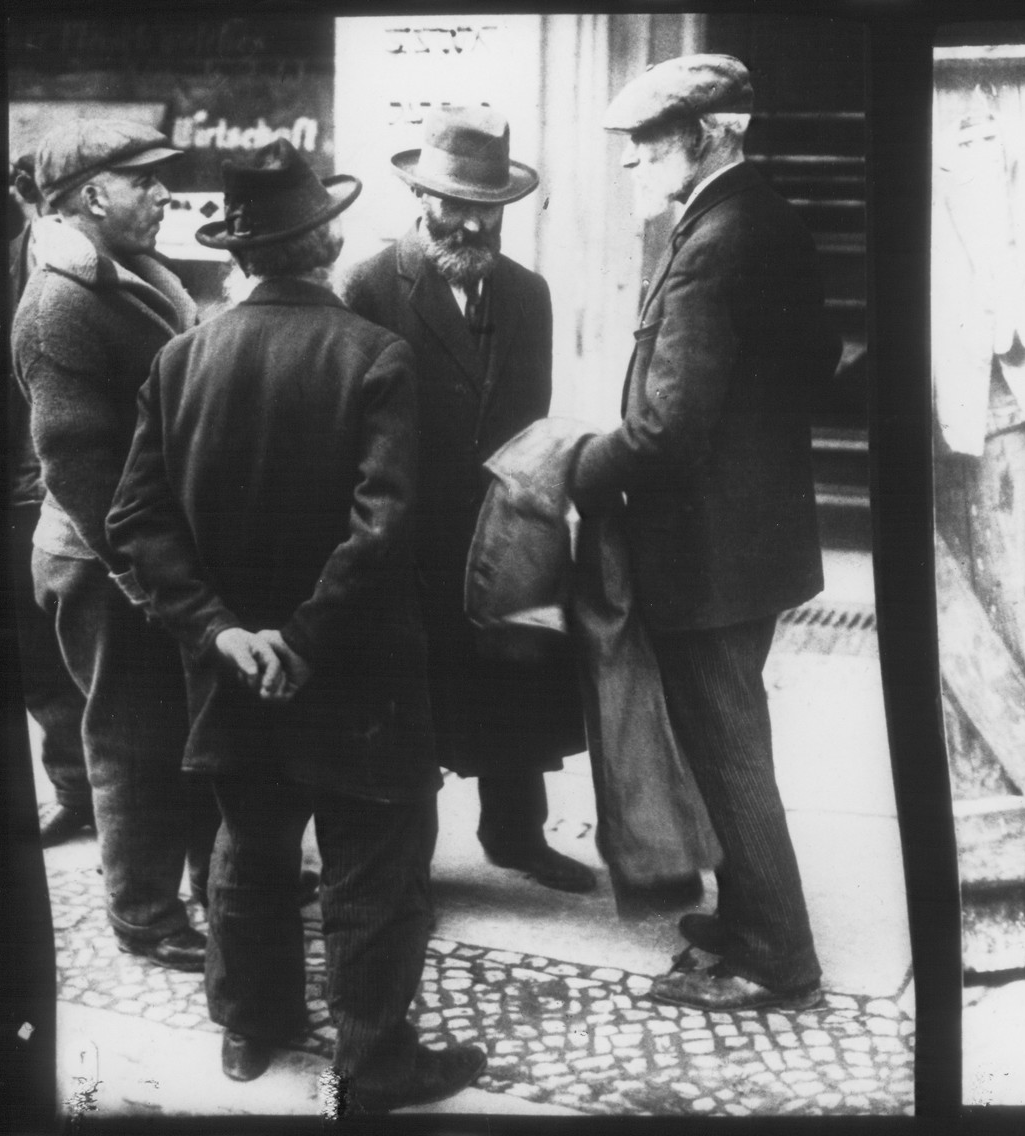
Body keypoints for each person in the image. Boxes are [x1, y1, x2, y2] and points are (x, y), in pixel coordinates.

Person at [107, 140, 485, 1111]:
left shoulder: (180, 359)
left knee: (248, 849)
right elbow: (383, 525)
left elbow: (134, 523)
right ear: (328, 240)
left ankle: (250, 1024)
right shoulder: (376, 355)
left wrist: (228, 634)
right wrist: (308, 640)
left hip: (230, 672)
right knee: (372, 862)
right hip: (356, 672)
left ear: (240, 253)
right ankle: (373, 1059)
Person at [565, 53, 838, 1012]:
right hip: (747, 545)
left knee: (728, 752)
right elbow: (815, 364)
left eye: (650, 146)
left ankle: (777, 956)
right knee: (730, 743)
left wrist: (571, 472)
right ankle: (747, 913)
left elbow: (667, 429)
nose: (634, 165)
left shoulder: (715, 240)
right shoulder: (762, 218)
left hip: (708, 555)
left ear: (712, 134)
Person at [339, 106, 594, 894]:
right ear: (422, 200)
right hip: (409, 531)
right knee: (414, 695)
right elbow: (351, 417)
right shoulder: (371, 284)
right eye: (456, 205)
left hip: (502, 530)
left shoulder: (528, 293)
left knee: (513, 682)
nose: (473, 224)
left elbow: (531, 415)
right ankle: (403, 858)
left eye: (488, 208)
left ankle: (516, 837)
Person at [12, 119, 217, 971]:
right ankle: (143, 913)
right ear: (95, 195)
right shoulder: (60, 304)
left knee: (189, 727)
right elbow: (80, 472)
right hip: (106, 565)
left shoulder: (138, 277)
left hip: (155, 552)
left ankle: (215, 878)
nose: (165, 192)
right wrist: (150, 581)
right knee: (132, 744)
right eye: (147, 179)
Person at [7, 153, 92, 847]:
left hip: (79, 497)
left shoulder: (119, 264)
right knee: (36, 660)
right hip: (8, 502)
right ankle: (75, 790)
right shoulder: (2, 266)